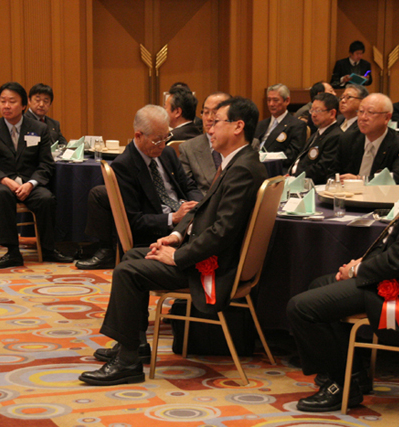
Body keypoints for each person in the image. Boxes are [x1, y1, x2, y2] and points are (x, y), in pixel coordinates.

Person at [287, 113, 399, 412]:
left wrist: (358, 269)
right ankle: (353, 374)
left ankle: (341, 386)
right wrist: (360, 264)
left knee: (302, 307)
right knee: (319, 285)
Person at [79, 97, 268, 386]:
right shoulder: (239, 162)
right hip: (209, 253)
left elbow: (222, 232)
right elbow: (204, 211)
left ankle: (127, 362)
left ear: (238, 127)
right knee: (132, 256)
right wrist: (176, 236)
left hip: (213, 267)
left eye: (217, 122)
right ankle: (135, 344)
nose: (210, 128)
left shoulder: (242, 168)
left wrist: (177, 256)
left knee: (127, 272)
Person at [75, 105, 203, 270]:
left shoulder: (167, 153)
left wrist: (197, 205)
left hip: (187, 218)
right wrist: (173, 218)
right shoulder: (124, 166)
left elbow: (189, 186)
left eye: (166, 137)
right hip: (159, 232)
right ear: (138, 136)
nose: (162, 145)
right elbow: (135, 221)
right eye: (157, 140)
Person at [0, 82, 73, 269]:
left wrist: (31, 184)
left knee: (46, 198)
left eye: (12, 101)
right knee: (2, 194)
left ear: (23, 105)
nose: (6, 106)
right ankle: (12, 252)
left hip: (29, 183)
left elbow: (46, 164)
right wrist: (5, 180)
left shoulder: (39, 128)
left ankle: (48, 249)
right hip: (1, 182)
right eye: (3, 101)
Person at [334, 93, 399, 183]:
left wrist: (361, 180)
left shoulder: (398, 144)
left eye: (371, 112)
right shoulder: (348, 139)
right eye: (361, 111)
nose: (363, 118)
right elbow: (333, 171)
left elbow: (398, 177)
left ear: (387, 118)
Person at [179, 92, 231, 194]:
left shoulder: (245, 144)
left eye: (215, 113)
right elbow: (188, 188)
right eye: (206, 112)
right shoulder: (188, 148)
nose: (209, 118)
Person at [289, 93, 342, 184]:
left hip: (314, 184)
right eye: (312, 110)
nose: (313, 115)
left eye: (317, 111)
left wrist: (295, 176)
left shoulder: (335, 136)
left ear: (332, 113)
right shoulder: (317, 133)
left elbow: (322, 169)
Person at [254, 83, 307, 170]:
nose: (271, 104)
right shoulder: (260, 124)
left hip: (277, 169)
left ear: (287, 101)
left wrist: (267, 158)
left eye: (275, 100)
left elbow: (292, 155)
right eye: (269, 100)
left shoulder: (297, 125)